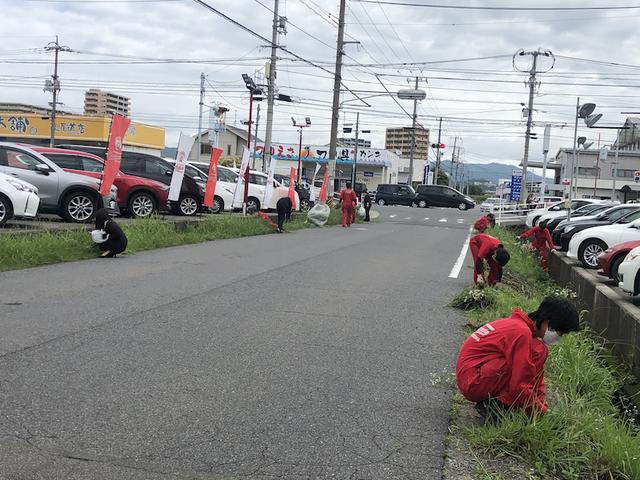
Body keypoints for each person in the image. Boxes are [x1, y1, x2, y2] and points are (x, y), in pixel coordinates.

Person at [456, 296, 579, 420]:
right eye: (560, 332)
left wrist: (542, 407)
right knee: (538, 351)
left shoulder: (519, 327)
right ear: (548, 323)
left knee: (538, 351)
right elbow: (520, 384)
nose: (559, 337)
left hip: (472, 376)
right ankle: (496, 406)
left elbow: (536, 379)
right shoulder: (522, 333)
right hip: (473, 382)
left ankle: (500, 403)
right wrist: (540, 413)